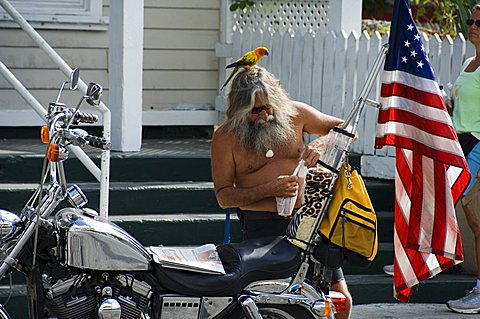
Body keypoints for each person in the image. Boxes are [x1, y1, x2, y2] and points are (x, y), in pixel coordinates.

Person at [211, 66, 352, 319]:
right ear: (239, 110)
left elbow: (345, 128)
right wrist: (269, 189)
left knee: (340, 300)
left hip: (308, 222)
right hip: (261, 228)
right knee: (274, 304)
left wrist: (321, 143)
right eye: (256, 111)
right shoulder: (226, 137)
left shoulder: (295, 114)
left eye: (269, 107)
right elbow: (223, 197)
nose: (265, 115)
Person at [446, 4, 480, 314]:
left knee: (477, 220)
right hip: (461, 142)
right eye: (470, 21)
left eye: (479, 23)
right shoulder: (470, 62)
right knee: (468, 216)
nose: (472, 26)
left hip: (478, 146)